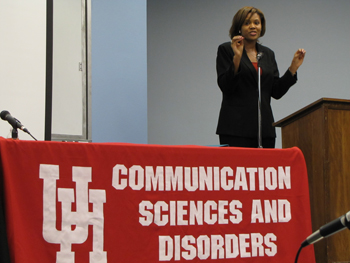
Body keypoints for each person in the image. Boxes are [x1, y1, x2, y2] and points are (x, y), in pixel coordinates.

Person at [216, 6, 305, 148]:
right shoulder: (226, 49)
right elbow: (226, 86)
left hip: (264, 130)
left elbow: (276, 92)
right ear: (239, 27)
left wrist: (292, 68)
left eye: (256, 23)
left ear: (261, 27)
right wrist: (237, 57)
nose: (253, 26)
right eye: (247, 23)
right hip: (235, 129)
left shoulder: (267, 54)